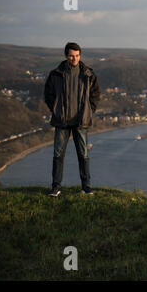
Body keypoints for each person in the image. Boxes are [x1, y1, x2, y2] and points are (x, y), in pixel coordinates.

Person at [44, 42, 101, 197]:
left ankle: (86, 187)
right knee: (58, 155)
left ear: (80, 55)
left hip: (80, 122)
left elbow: (95, 94)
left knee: (83, 155)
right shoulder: (56, 74)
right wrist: (55, 110)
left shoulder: (88, 74)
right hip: (62, 121)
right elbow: (48, 94)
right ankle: (56, 188)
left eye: (77, 55)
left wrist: (90, 111)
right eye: (71, 55)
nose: (74, 58)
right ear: (66, 56)